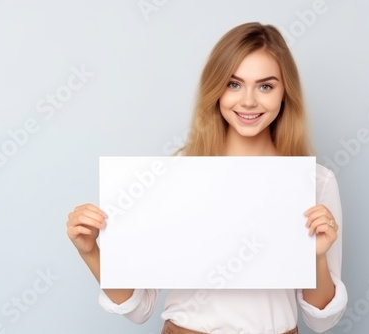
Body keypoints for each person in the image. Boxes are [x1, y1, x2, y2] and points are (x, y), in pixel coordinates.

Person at [66, 22, 347, 334]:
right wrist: (90, 250)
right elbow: (139, 307)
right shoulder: (176, 174)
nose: (249, 101)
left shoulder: (314, 183)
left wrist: (316, 259)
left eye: (266, 86)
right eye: (233, 84)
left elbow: (323, 319)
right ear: (216, 89)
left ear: (285, 93)